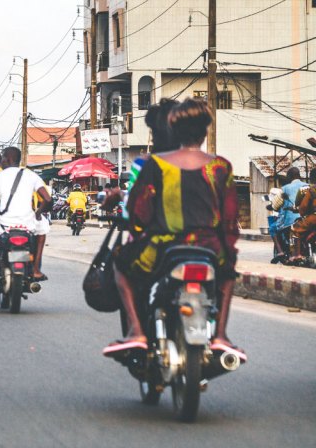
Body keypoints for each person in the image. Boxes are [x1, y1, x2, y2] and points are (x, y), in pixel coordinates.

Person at [104, 98, 243, 360]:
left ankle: (136, 330)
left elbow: (138, 214)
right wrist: (227, 251)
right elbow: (230, 220)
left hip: (163, 248)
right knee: (228, 275)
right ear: (205, 131)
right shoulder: (221, 166)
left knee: (121, 267)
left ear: (174, 130)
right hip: (210, 248)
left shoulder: (155, 164)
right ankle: (221, 335)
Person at [0, 147, 53, 282]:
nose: (0, 162)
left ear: (8, 159)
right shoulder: (32, 175)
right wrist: (38, 213)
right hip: (27, 224)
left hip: (5, 224)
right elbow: (48, 199)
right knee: (43, 230)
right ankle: (36, 270)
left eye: (2, 159)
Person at [272, 167, 305, 263]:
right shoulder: (308, 186)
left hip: (290, 221)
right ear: (299, 175)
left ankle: (282, 252)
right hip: (305, 218)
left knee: (275, 228)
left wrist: (274, 207)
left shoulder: (285, 189)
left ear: (290, 177)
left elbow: (275, 205)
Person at [289, 172, 316, 264]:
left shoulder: (311, 190)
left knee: (295, 228)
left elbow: (303, 207)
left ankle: (298, 255)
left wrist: (301, 213)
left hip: (313, 218)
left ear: (311, 179)